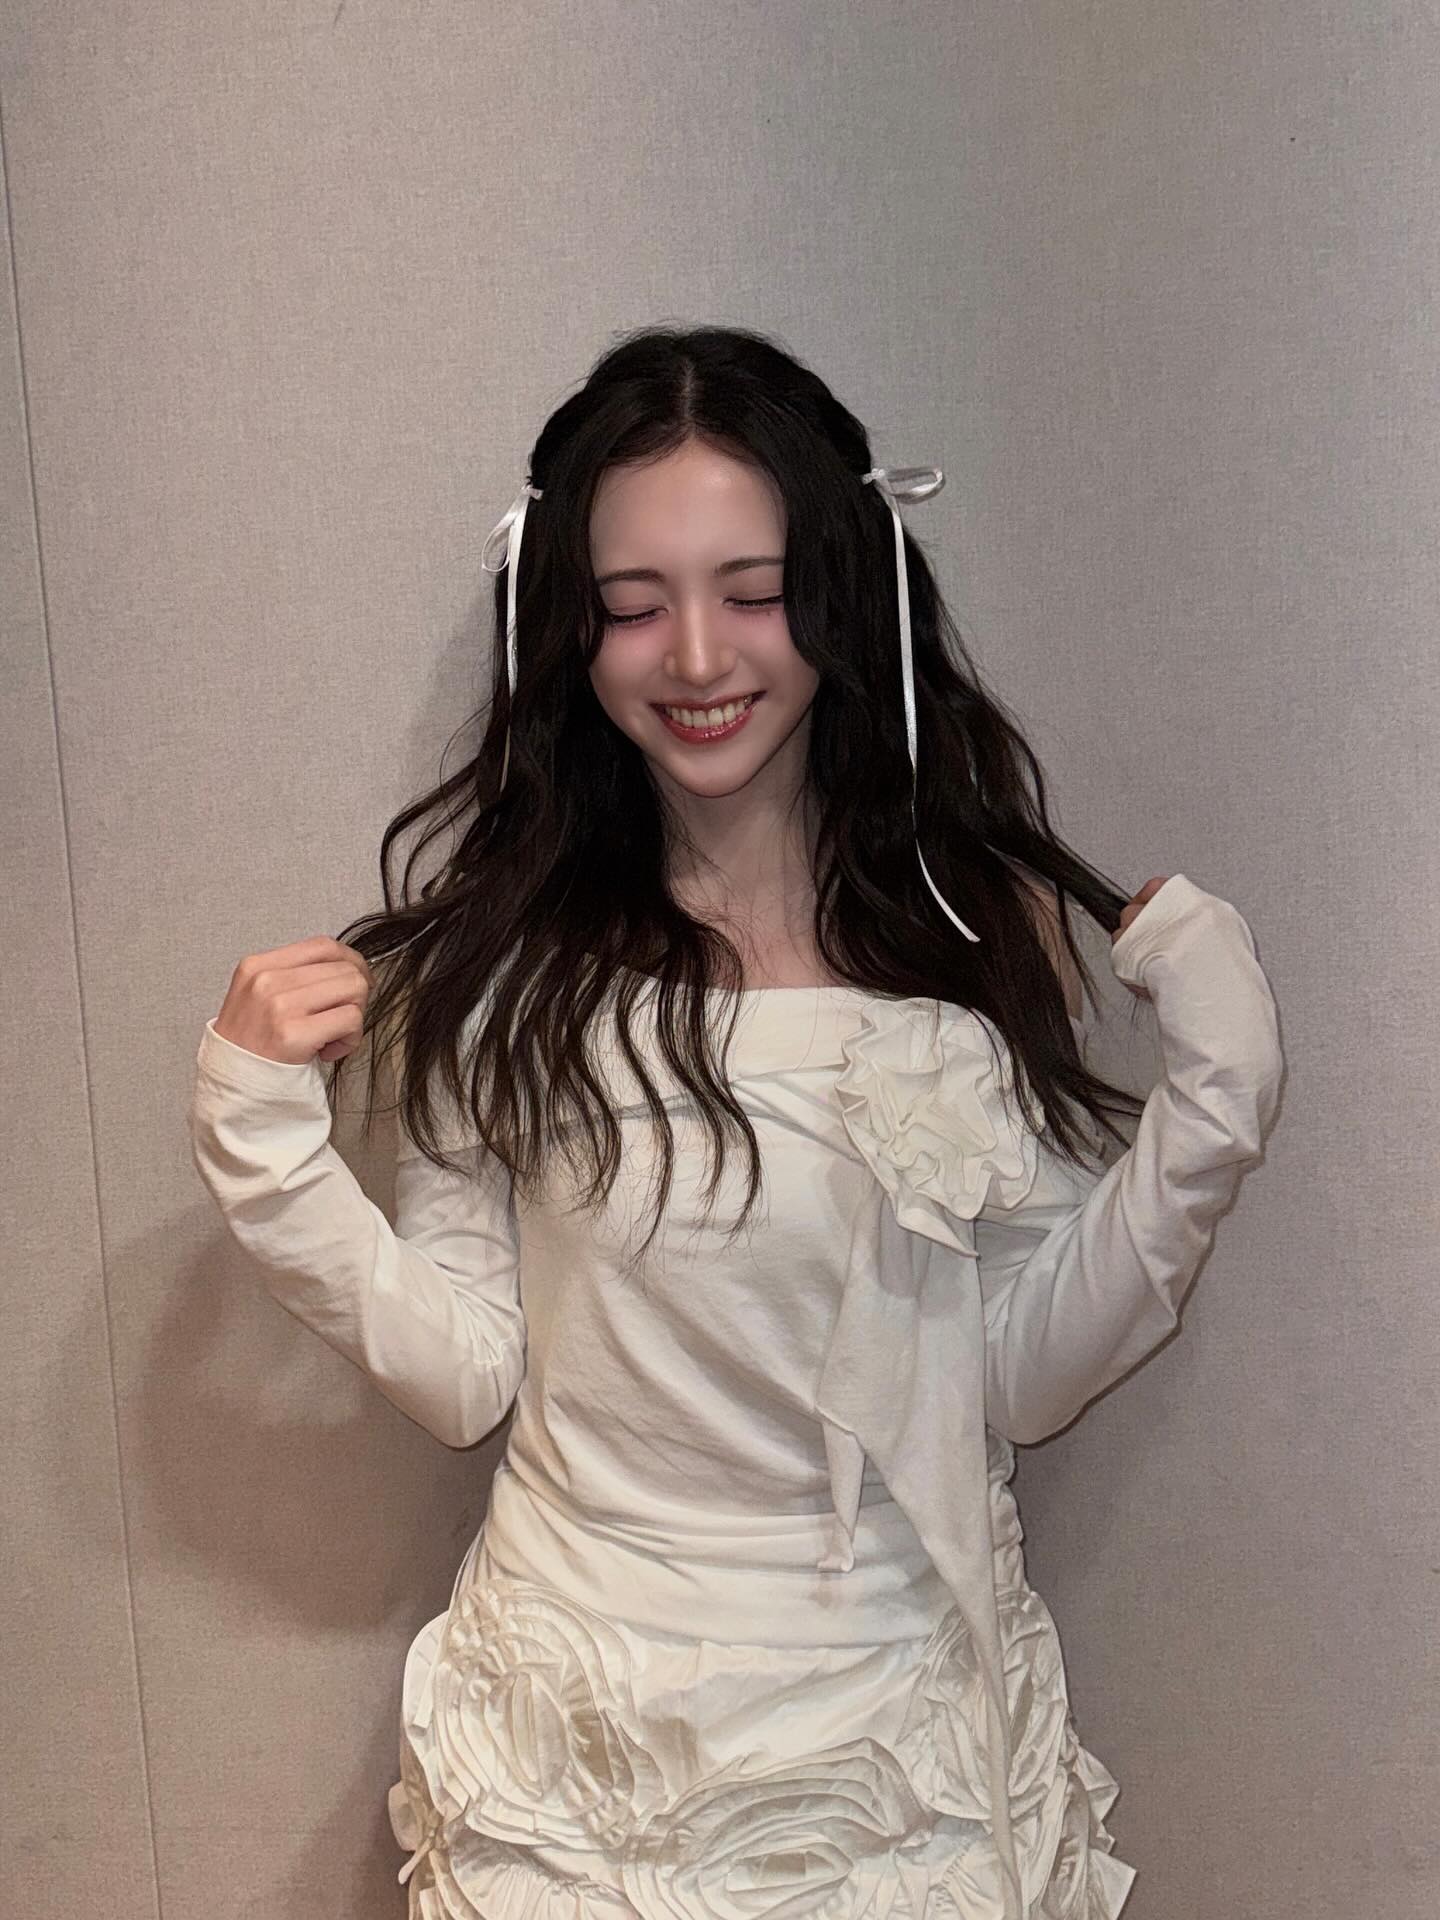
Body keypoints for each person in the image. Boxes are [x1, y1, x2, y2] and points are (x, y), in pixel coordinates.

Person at [187, 324, 1284, 1920]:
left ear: (842, 593)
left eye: (752, 591)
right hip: (582, 1748)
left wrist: (1212, 1116)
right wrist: (264, 1152)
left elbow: (1018, 1379)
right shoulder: (508, 976)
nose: (696, 658)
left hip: (899, 1753)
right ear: (568, 629)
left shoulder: (963, 936)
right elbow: (464, 1374)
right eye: (634, 605)